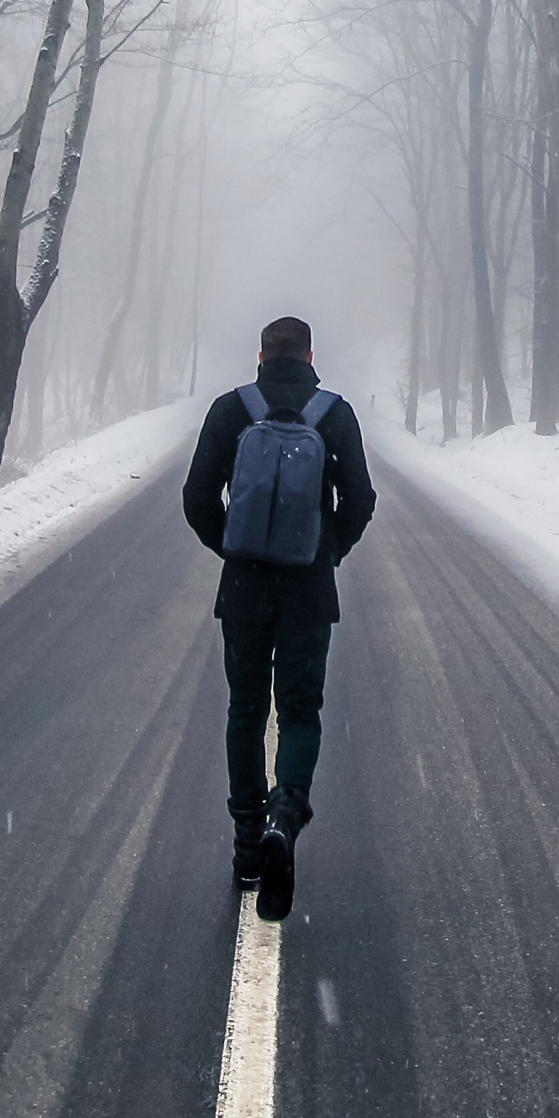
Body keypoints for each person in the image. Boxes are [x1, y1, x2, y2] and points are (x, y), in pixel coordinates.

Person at [182, 315, 375, 920]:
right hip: (308, 591)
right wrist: (326, 552)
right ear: (311, 354)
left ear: (259, 355)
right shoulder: (334, 413)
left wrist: (233, 549)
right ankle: (284, 823)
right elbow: (361, 500)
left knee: (245, 711)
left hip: (243, 590)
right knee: (299, 711)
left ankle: (245, 848)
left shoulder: (230, 409)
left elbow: (196, 498)